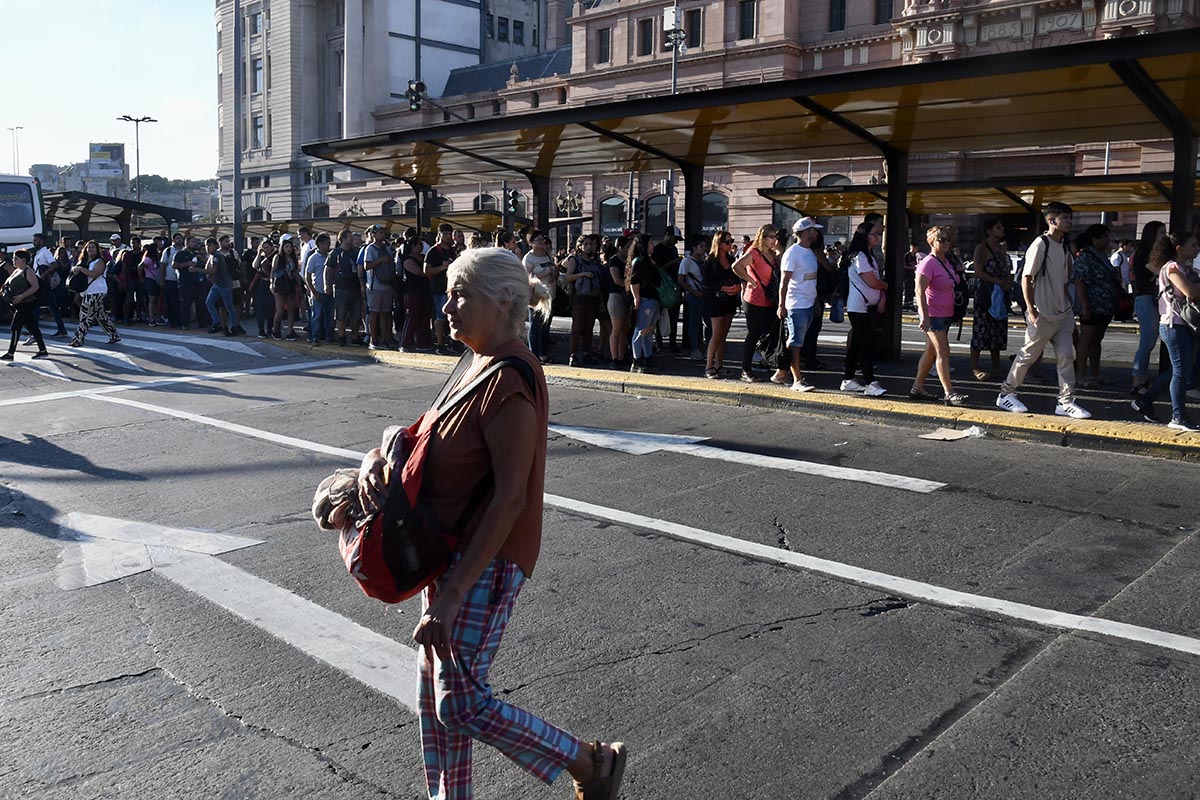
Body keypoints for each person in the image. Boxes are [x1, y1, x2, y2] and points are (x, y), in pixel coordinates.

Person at [354, 247, 628, 800]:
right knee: (435, 701)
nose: (447, 307)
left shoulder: (510, 382)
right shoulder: (474, 362)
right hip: (448, 551)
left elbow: (509, 499)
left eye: (461, 296)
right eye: (448, 294)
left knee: (460, 702)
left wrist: (453, 594)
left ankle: (588, 762)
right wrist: (379, 455)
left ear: (503, 302)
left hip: (486, 559)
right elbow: (423, 434)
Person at [996, 202, 1091, 419]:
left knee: (1067, 356)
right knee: (1028, 354)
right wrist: (1030, 309)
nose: (1070, 221)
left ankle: (1065, 401)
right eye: (1065, 217)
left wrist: (1068, 307)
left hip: (1062, 313)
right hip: (1043, 313)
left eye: (1070, 217)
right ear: (1052, 220)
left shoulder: (1064, 245)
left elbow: (1064, 279)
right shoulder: (1041, 244)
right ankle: (1006, 393)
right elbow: (1026, 278)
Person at [1132, 230, 1200, 431]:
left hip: (1183, 325)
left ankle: (1144, 402)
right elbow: (1191, 292)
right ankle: (1178, 417)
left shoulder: (1185, 268)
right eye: (1193, 245)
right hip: (1173, 325)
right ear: (1179, 248)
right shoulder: (1171, 268)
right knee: (1180, 372)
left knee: (1179, 369)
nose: (1197, 248)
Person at [911, 225, 968, 406]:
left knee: (931, 351)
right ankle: (949, 392)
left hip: (945, 313)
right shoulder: (928, 262)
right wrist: (924, 316)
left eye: (947, 239)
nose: (945, 243)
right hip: (933, 313)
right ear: (931, 242)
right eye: (940, 240)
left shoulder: (947, 261)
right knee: (943, 350)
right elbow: (919, 291)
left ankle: (917, 387)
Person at [1072, 224, 1122, 387]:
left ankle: (1095, 374)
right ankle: (1080, 375)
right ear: (1095, 239)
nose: (1108, 240)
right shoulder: (1086, 257)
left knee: (1096, 340)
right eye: (1105, 237)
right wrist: (1085, 307)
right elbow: (1079, 282)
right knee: (1086, 340)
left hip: (1105, 306)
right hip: (1092, 305)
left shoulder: (1102, 256)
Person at [842, 221, 888, 396]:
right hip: (858, 306)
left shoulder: (869, 255)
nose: (877, 237)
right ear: (864, 236)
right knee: (865, 344)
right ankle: (870, 382)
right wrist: (885, 286)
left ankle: (848, 379)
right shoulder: (859, 257)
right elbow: (872, 281)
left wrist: (881, 293)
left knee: (856, 344)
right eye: (873, 234)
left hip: (866, 306)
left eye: (878, 234)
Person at [776, 218, 822, 392]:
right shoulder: (792, 253)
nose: (816, 233)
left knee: (796, 341)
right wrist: (781, 305)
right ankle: (797, 380)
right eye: (813, 230)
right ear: (805, 233)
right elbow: (784, 282)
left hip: (808, 303)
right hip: (796, 304)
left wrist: (816, 301)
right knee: (795, 343)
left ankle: (781, 371)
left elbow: (812, 280)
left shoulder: (809, 252)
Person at [732, 224, 780, 383]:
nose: (774, 240)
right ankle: (746, 369)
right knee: (753, 334)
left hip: (770, 300)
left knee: (773, 333)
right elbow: (737, 266)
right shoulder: (754, 253)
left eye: (775, 236)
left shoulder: (773, 254)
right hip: (754, 300)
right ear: (763, 237)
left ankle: (766, 361)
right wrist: (750, 280)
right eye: (771, 237)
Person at [968, 218, 1012, 380]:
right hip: (986, 294)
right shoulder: (982, 248)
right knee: (981, 329)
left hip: (1000, 293)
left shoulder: (1001, 249)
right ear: (989, 231)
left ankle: (996, 364)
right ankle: (975, 366)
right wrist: (997, 281)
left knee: (997, 328)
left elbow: (1006, 268)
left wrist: (1007, 281)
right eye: (998, 227)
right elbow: (978, 271)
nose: (1002, 230)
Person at [1130, 221, 1167, 395]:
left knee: (1149, 340)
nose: (1164, 236)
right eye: (1161, 232)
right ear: (1152, 234)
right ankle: (1137, 381)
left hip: (1148, 298)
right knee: (1148, 341)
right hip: (1144, 298)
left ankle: (1141, 379)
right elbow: (1158, 271)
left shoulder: (1150, 252)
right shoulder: (1145, 252)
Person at [562, 234, 605, 367]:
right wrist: (583, 274)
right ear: (579, 246)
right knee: (577, 327)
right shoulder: (575, 260)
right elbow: (568, 277)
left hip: (592, 298)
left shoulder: (595, 262)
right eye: (585, 244)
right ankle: (573, 354)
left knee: (589, 327)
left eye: (590, 244)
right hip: (578, 298)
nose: (588, 247)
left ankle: (587, 353)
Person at [703, 229, 740, 379]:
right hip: (716, 300)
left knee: (723, 335)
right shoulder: (710, 261)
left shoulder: (731, 260)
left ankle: (719, 365)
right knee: (716, 333)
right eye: (727, 242)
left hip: (729, 300)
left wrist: (736, 288)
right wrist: (723, 288)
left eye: (731, 241)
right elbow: (707, 281)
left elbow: (737, 277)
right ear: (719, 243)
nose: (730, 244)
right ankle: (708, 366)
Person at [68, 240, 121, 347]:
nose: (90, 249)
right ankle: (114, 335)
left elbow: (95, 274)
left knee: (84, 316)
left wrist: (81, 269)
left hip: (96, 291)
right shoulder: (83, 261)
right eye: (89, 247)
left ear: (97, 250)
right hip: (87, 291)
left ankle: (78, 339)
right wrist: (76, 269)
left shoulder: (99, 261)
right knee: (101, 316)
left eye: (93, 247)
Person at [2, 250, 50, 360]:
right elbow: (8, 281)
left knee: (15, 327)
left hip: (27, 303)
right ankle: (43, 350)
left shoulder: (28, 271)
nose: (13, 260)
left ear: (24, 260)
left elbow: (35, 287)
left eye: (16, 258)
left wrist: (22, 296)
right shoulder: (17, 270)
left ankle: (10, 353)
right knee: (33, 327)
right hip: (18, 303)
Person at [626, 233, 660, 374]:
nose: (653, 246)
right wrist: (636, 298)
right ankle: (637, 358)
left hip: (652, 299)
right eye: (651, 243)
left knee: (648, 330)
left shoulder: (649, 260)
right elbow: (634, 281)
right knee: (641, 329)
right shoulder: (639, 262)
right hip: (645, 299)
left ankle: (647, 356)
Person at [523, 229, 557, 363]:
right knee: (535, 326)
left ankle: (543, 354)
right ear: (531, 243)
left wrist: (554, 272)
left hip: (549, 295)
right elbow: (527, 277)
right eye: (538, 240)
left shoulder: (546, 254)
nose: (542, 242)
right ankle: (533, 355)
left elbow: (553, 268)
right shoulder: (528, 258)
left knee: (545, 326)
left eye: (543, 239)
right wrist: (546, 272)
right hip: (536, 297)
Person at [361, 224, 396, 350]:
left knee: (385, 313)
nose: (382, 235)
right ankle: (373, 338)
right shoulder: (370, 249)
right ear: (374, 235)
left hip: (387, 285)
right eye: (379, 232)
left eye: (383, 232)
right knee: (374, 313)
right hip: (375, 286)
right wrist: (381, 260)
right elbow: (366, 266)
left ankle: (384, 339)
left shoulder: (387, 248)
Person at [425, 223, 457, 355]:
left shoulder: (452, 250)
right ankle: (440, 343)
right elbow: (426, 270)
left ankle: (453, 342)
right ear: (440, 235)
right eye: (445, 234)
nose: (448, 236)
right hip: (439, 288)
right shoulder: (433, 251)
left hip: (451, 288)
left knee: (453, 316)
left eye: (450, 234)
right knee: (440, 316)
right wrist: (443, 267)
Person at [330, 230, 364, 347]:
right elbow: (328, 269)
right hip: (341, 288)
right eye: (349, 237)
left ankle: (355, 336)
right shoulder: (335, 253)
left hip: (355, 287)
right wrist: (328, 285)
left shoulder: (356, 251)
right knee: (341, 314)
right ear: (343, 239)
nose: (352, 239)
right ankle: (341, 336)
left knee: (356, 315)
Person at [678, 234, 709, 362]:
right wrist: (693, 291)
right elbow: (681, 280)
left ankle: (708, 347)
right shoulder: (687, 261)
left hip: (705, 294)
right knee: (694, 322)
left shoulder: (703, 260)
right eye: (701, 246)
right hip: (694, 295)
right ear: (694, 247)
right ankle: (694, 349)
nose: (704, 249)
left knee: (708, 322)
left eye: (705, 246)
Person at [401, 236, 434, 351]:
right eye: (419, 244)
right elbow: (418, 272)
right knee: (412, 317)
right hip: (412, 291)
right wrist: (430, 271)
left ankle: (422, 343)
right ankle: (405, 343)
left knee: (425, 317)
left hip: (425, 291)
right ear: (413, 246)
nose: (421, 246)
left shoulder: (424, 258)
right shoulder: (407, 260)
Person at [602, 237, 630, 368]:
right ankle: (614, 358)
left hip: (626, 296)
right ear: (620, 247)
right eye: (627, 247)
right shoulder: (614, 260)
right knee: (616, 329)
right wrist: (631, 284)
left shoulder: (628, 261)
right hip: (616, 296)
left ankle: (621, 355)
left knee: (625, 329)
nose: (630, 250)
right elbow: (617, 280)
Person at [305, 233, 333, 344]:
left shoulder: (330, 256)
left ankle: (329, 337)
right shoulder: (313, 258)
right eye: (326, 243)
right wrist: (313, 292)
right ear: (320, 244)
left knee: (329, 317)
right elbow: (307, 276)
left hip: (329, 292)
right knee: (316, 316)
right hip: (318, 292)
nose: (328, 245)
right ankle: (314, 337)